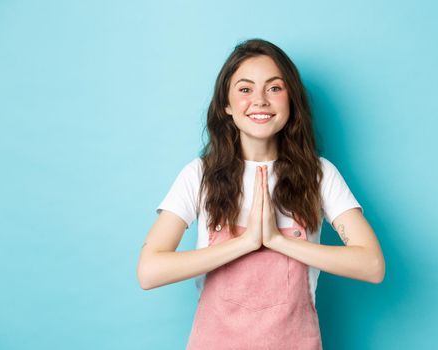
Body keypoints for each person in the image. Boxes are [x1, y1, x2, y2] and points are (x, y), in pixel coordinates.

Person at [137, 38, 385, 349]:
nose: (260, 100)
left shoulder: (318, 174)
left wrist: (278, 240)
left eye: (274, 88)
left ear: (291, 99)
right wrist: (246, 243)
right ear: (226, 105)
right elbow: (149, 271)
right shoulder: (199, 175)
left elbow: (372, 265)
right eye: (245, 89)